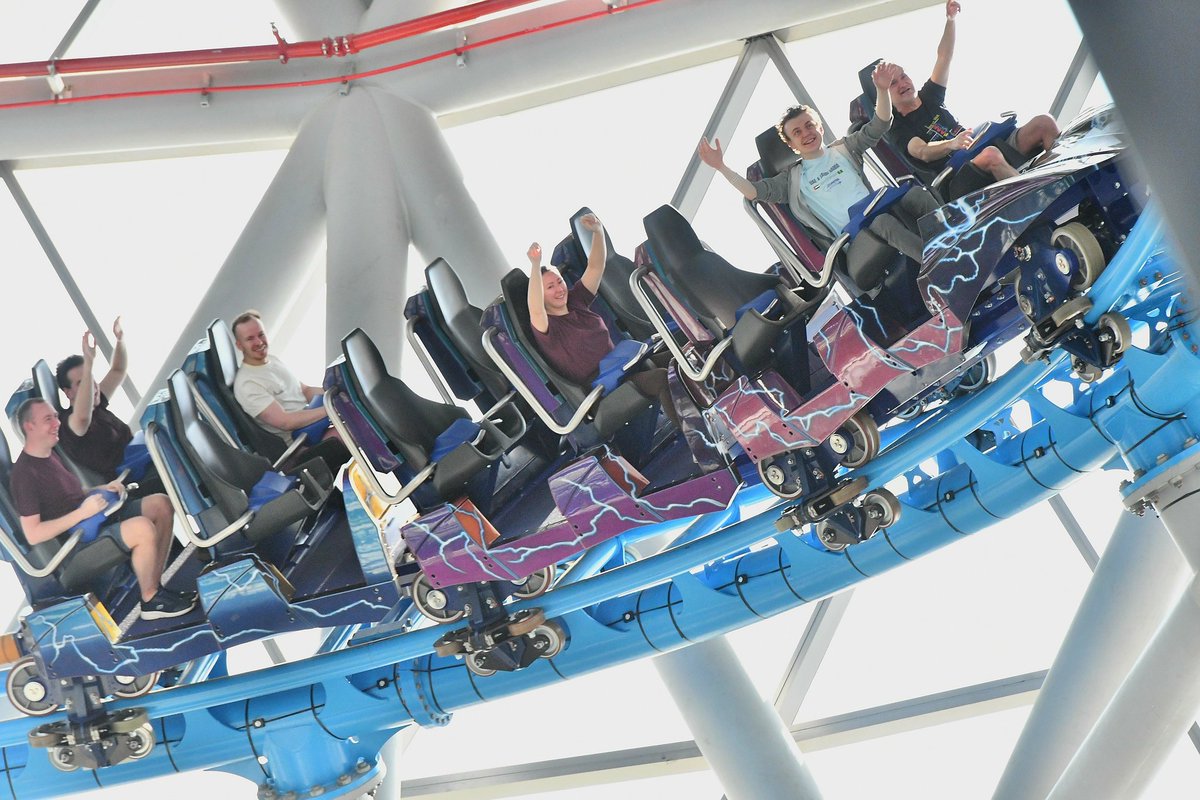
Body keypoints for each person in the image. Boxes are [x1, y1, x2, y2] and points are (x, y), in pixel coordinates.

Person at [698, 61, 939, 286]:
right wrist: (721, 167)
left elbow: (881, 124)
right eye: (797, 132)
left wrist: (882, 89)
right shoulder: (792, 180)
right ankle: (938, 267)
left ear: (820, 127)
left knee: (916, 195)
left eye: (809, 125)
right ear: (792, 145)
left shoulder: (845, 149)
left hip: (880, 212)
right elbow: (754, 192)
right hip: (853, 245)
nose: (806, 133)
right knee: (884, 222)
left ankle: (957, 239)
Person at [10, 398, 195, 620]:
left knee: (161, 504)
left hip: (94, 520)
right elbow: (34, 533)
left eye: (56, 417)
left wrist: (100, 488)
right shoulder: (24, 476)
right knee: (142, 528)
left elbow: (71, 495)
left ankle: (155, 586)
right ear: (29, 426)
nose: (57, 423)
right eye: (48, 419)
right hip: (75, 545)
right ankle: (150, 600)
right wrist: (82, 513)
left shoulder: (49, 453)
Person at [885, 0, 1060, 196]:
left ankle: (1062, 179)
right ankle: (1039, 196)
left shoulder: (930, 96)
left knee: (1044, 122)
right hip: (956, 177)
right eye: (893, 83)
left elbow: (944, 57)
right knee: (991, 155)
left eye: (903, 76)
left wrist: (950, 20)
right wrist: (951, 144)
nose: (902, 83)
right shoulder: (897, 127)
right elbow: (922, 151)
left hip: (979, 147)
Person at [527, 213, 681, 429]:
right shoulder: (547, 328)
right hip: (603, 389)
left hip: (625, 366)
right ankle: (701, 445)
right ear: (541, 295)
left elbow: (596, 267)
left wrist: (597, 232)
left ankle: (718, 411)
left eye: (559, 282)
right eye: (550, 287)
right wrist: (535, 265)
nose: (559, 289)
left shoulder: (576, 301)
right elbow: (534, 308)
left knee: (683, 354)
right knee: (661, 378)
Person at [231, 310, 349, 472]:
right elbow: (286, 422)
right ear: (239, 345)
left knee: (361, 414)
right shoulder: (247, 383)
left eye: (261, 334)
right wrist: (332, 408)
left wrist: (339, 394)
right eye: (250, 339)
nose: (258, 342)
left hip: (314, 427)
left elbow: (306, 391)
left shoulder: (273, 361)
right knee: (356, 429)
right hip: (301, 446)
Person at [56, 317, 160, 493]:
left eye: (91, 378)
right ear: (68, 393)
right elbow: (82, 418)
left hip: (142, 457)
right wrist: (88, 365)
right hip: (132, 478)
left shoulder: (97, 404)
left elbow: (118, 371)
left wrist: (120, 340)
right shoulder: (69, 423)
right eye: (84, 382)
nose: (93, 386)